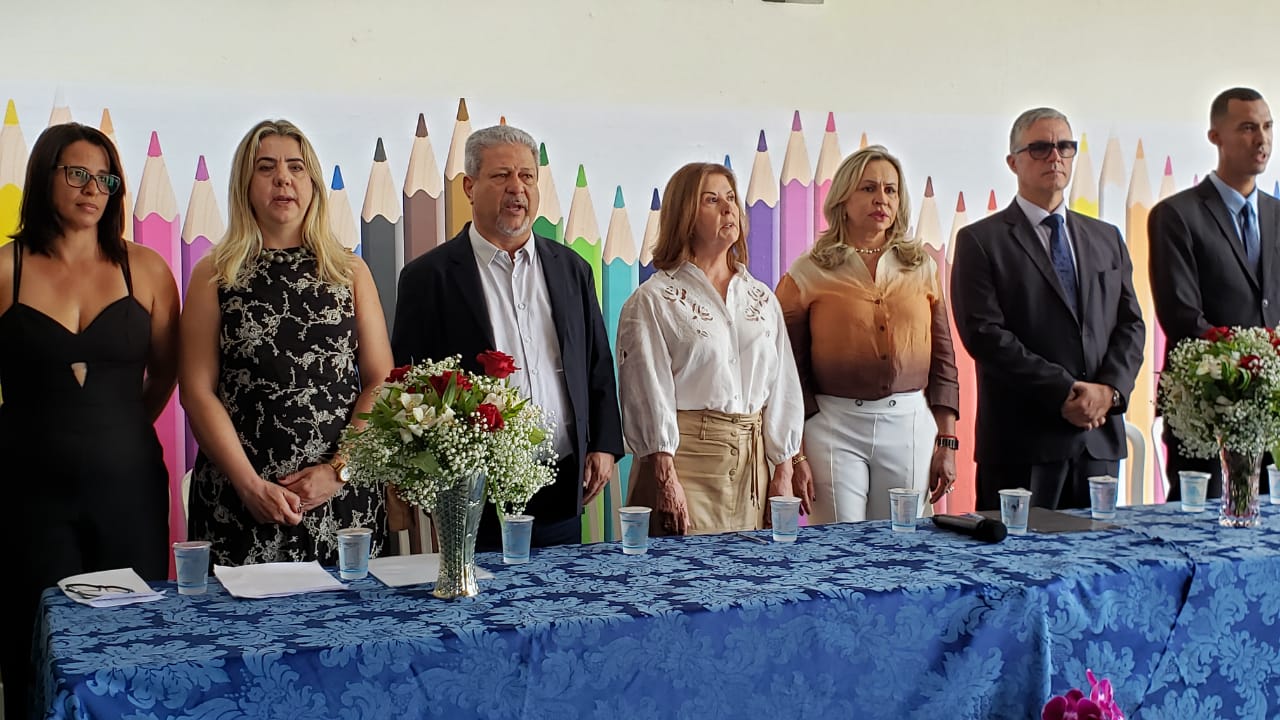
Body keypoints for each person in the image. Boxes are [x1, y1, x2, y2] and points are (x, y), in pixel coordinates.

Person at [0, 123, 179, 720]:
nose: (93, 189)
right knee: (33, 644)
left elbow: (166, 372)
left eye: (106, 179)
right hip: (27, 494)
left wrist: (116, 428)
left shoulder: (146, 269)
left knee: (131, 647)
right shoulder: (6, 269)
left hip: (128, 489)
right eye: (77, 173)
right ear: (44, 175)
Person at [392, 125, 623, 550]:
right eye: (501, 176)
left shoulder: (571, 269)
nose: (517, 188)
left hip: (561, 482)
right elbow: (409, 383)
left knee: (564, 592)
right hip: (472, 491)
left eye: (527, 176)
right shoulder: (428, 278)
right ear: (469, 187)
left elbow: (596, 364)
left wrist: (605, 446)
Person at [181, 119, 392, 566]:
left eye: (296, 167)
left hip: (341, 499)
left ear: (312, 183)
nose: (283, 178)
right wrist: (249, 486)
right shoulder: (214, 274)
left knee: (352, 613)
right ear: (244, 184)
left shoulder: (349, 272)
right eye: (266, 167)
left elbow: (381, 380)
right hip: (239, 503)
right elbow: (196, 391)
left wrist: (338, 471)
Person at [951, 107, 1145, 511]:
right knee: (1020, 553)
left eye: (1065, 146)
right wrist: (1065, 392)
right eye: (1040, 148)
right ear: (1013, 162)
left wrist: (1109, 392)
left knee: (1099, 552)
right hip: (1022, 445)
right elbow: (985, 336)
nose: (1055, 156)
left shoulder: (1107, 237)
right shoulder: (981, 241)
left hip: (1097, 442)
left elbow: (1131, 326)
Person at [617, 161, 803, 536]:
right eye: (712, 200)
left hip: (752, 471)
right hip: (684, 466)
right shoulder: (654, 299)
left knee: (751, 570)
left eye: (731, 197)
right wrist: (665, 479)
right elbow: (647, 393)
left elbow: (783, 387)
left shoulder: (760, 297)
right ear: (685, 215)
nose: (728, 208)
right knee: (683, 570)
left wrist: (783, 469)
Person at [776, 145, 959, 523]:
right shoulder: (808, 271)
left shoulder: (922, 267)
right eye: (869, 188)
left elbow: (943, 361)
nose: (882, 199)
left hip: (908, 425)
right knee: (838, 543)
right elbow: (788, 369)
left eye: (891, 190)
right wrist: (796, 454)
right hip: (831, 427)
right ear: (843, 198)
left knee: (901, 542)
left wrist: (947, 441)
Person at [1150, 87, 1278, 501]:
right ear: (1215, 136)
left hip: (1273, 414)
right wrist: (1248, 368)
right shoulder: (1177, 215)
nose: (1261, 139)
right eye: (1247, 128)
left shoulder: (1277, 215)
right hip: (1205, 407)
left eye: (1267, 127)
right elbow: (1182, 315)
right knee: (1203, 525)